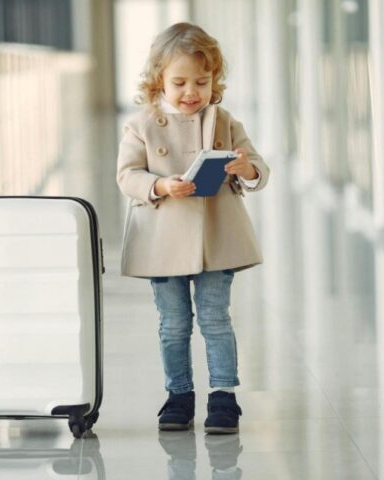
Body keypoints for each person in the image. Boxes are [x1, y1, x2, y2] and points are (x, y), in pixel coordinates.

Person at [116, 22, 269, 434]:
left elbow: (258, 168)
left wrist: (246, 168)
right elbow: (126, 175)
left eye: (201, 82)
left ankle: (224, 397)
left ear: (214, 81)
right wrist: (160, 184)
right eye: (179, 82)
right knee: (174, 323)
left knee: (216, 318)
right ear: (157, 81)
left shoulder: (224, 120)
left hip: (215, 238)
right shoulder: (141, 125)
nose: (191, 93)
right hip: (162, 239)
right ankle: (179, 395)